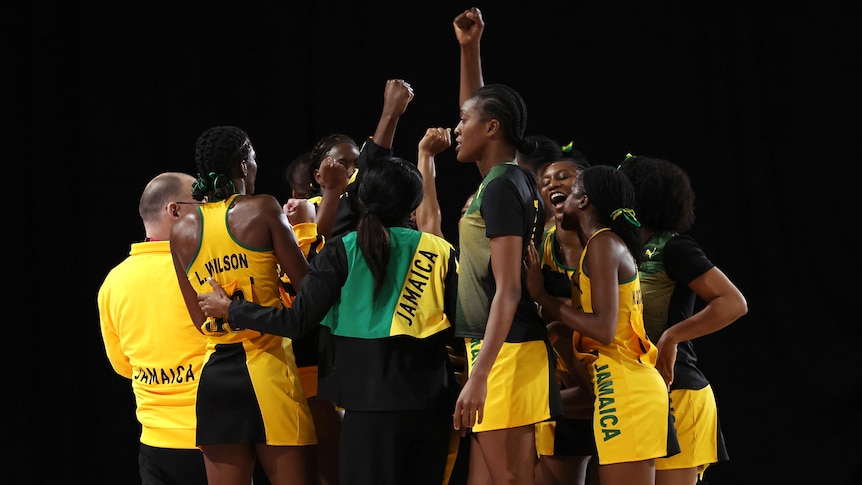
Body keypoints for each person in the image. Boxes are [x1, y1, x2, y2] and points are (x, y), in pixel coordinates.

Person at [197, 158, 462, 485]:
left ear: (362, 199)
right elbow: (461, 328)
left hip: (366, 408)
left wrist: (232, 310)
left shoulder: (343, 250)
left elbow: (296, 321)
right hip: (432, 406)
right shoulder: (440, 250)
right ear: (414, 205)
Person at [170, 125, 318, 485]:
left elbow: (199, 320)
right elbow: (310, 292)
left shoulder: (181, 228)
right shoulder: (263, 208)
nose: (255, 165)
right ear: (242, 163)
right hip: (269, 371)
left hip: (216, 382)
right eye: (253, 158)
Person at [525, 164, 680, 485]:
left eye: (571, 191)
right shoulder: (599, 246)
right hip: (616, 387)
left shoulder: (602, 244)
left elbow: (603, 328)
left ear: (583, 202)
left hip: (628, 391)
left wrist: (543, 296)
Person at [449, 78, 562, 483]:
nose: (456, 129)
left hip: (507, 353)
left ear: (492, 127)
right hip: (496, 348)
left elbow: (509, 289)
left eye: (464, 120)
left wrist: (479, 374)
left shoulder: (501, 186)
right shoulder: (502, 182)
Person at [618, 155, 747, 485]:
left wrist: (671, 336)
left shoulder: (672, 248)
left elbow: (733, 302)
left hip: (677, 391)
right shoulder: (615, 249)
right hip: (634, 392)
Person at [97, 172, 209, 485]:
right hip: (215, 441)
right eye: (202, 202)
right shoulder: (202, 270)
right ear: (175, 210)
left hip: (155, 444)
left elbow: (122, 365)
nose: (209, 210)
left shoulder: (113, 281)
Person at [531, 158, 597, 485]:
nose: (552, 184)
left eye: (562, 177)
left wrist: (555, 312)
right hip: (565, 391)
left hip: (612, 381)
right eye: (545, 181)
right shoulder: (539, 244)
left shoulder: (608, 243)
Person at [307, 78, 414, 240]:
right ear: (318, 175)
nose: (352, 170)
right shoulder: (305, 211)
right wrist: (389, 114)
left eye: (357, 164)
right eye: (342, 164)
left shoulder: (365, 201)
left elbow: (370, 172)